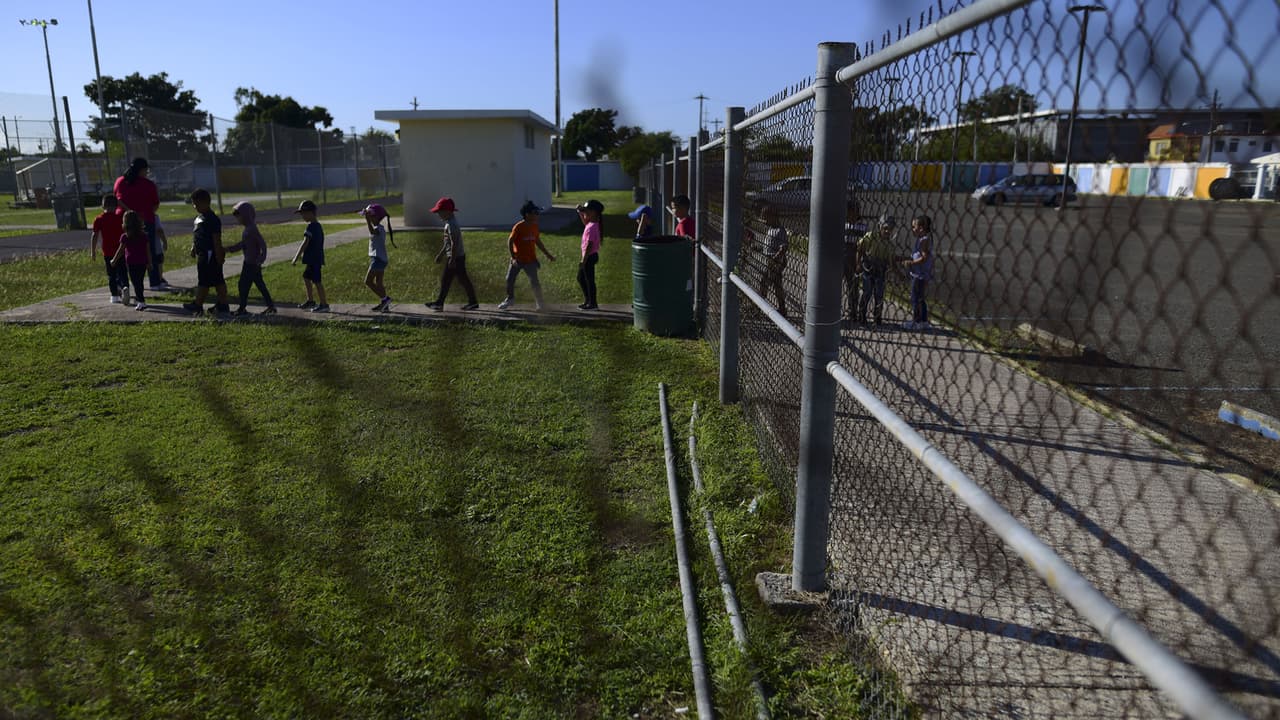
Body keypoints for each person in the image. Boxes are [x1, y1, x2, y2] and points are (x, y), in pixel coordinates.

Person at [113, 158, 165, 289]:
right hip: (145, 219)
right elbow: (155, 204)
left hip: (124, 220)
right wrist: (141, 216)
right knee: (149, 250)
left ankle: (122, 282)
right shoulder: (148, 184)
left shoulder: (120, 181)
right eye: (146, 169)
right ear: (142, 170)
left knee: (124, 249)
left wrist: (130, 213)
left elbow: (117, 200)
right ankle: (154, 281)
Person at [181, 188, 230, 316]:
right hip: (202, 253)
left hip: (210, 254)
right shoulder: (199, 218)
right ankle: (221, 304)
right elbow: (198, 235)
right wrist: (194, 247)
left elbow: (216, 238)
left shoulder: (212, 219)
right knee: (213, 279)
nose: (194, 206)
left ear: (205, 202)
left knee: (207, 281)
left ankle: (199, 305)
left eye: (196, 204)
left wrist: (219, 254)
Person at [499, 201, 556, 311]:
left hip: (530, 260)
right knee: (509, 279)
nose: (537, 215)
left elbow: (538, 242)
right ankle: (510, 299)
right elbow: (510, 241)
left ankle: (540, 303)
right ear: (527, 214)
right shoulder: (518, 227)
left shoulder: (534, 226)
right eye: (535, 213)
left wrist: (548, 255)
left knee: (534, 281)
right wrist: (513, 257)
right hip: (518, 260)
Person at [426, 197, 479, 311]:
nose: (438, 214)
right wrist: (441, 254)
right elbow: (448, 243)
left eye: (440, 212)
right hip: (454, 256)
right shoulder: (448, 223)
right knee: (460, 280)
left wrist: (452, 259)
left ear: (448, 212)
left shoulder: (452, 225)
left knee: (448, 280)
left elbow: (454, 243)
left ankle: (440, 303)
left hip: (456, 257)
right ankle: (472, 301)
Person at [226, 201, 276, 316]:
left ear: (246, 215)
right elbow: (243, 244)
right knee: (258, 285)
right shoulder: (248, 228)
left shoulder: (252, 229)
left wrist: (261, 259)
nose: (237, 219)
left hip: (252, 264)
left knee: (243, 285)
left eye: (238, 216)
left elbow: (262, 244)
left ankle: (242, 308)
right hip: (249, 262)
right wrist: (229, 249)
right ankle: (270, 306)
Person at [855, 215, 897, 325]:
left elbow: (891, 261)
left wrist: (896, 273)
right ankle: (862, 315)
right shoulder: (871, 236)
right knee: (867, 292)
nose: (887, 231)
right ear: (879, 227)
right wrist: (858, 263)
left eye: (890, 229)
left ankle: (877, 317)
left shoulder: (890, 244)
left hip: (880, 270)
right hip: (868, 268)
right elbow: (860, 248)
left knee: (879, 294)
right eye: (885, 228)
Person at [290, 200, 329, 312]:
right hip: (314, 258)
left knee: (317, 281)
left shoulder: (311, 227)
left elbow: (305, 243)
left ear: (311, 213)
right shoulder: (318, 226)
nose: (302, 216)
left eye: (303, 213)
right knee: (306, 277)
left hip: (314, 260)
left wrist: (296, 257)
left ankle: (324, 304)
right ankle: (310, 300)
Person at [110, 210, 153, 311]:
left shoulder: (125, 236)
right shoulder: (143, 235)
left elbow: (120, 251)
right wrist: (150, 262)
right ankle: (140, 300)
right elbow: (148, 250)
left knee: (135, 282)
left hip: (131, 262)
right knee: (140, 281)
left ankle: (141, 301)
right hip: (142, 261)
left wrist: (114, 260)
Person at [90, 195, 129, 304]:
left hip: (107, 251)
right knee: (123, 272)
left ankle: (114, 295)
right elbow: (131, 214)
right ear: (116, 206)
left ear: (103, 205)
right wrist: (123, 205)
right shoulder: (120, 217)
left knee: (111, 274)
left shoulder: (99, 219)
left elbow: (95, 236)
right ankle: (125, 287)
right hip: (120, 250)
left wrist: (93, 251)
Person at [359, 203, 396, 312]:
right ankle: (385, 305)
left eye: (370, 216)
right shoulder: (377, 228)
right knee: (379, 283)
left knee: (368, 281)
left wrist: (367, 220)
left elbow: (372, 231)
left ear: (376, 217)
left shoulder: (379, 229)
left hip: (378, 259)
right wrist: (368, 218)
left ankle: (385, 299)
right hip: (380, 259)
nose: (369, 218)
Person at [901, 214, 934, 330]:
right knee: (921, 298)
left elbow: (924, 257)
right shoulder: (922, 239)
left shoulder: (923, 241)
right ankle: (924, 321)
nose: (912, 229)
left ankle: (917, 321)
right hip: (922, 273)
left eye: (914, 227)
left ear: (921, 228)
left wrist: (911, 263)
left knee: (915, 297)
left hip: (919, 274)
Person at [758, 202, 789, 316]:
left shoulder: (780, 231)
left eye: (766, 218)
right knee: (777, 285)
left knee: (764, 282)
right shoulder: (771, 229)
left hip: (776, 262)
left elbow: (783, 247)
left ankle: (759, 306)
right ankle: (782, 308)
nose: (765, 221)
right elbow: (768, 245)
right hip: (770, 260)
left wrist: (775, 259)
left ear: (773, 217)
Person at [576, 199, 604, 310]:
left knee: (588, 280)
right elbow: (585, 223)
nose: (585, 213)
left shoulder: (593, 227)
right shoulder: (591, 223)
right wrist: (580, 213)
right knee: (582, 278)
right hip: (590, 256)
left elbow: (589, 245)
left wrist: (584, 259)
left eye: (587, 211)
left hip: (589, 256)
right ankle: (588, 301)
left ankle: (593, 303)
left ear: (594, 212)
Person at [842, 199, 867, 320]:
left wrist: (859, 262)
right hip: (842, 257)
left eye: (852, 212)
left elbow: (862, 247)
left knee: (853, 286)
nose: (849, 215)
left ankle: (853, 311)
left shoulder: (862, 227)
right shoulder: (843, 225)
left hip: (854, 258)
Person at [150, 215, 170, 290]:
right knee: (159, 262)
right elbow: (159, 230)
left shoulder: (138, 215)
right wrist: (164, 241)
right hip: (156, 245)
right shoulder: (154, 217)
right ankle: (159, 278)